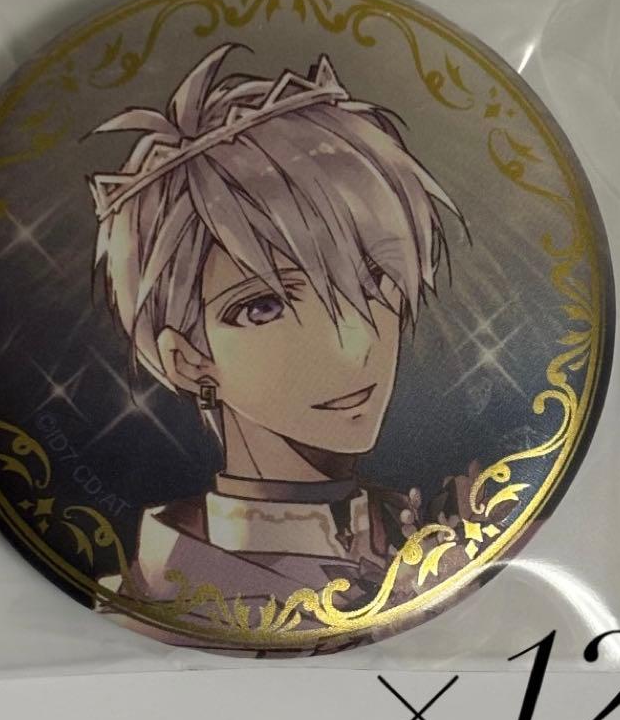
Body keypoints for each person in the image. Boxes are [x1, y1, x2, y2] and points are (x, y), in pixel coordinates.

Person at [86, 43, 504, 650]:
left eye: (375, 280)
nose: (353, 343)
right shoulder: (153, 603)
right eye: (263, 306)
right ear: (189, 359)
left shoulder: (447, 537)